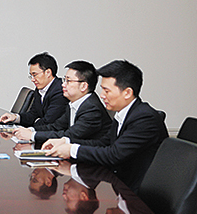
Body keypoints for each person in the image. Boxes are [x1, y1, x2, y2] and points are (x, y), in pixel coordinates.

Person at [42, 60, 168, 192]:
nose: (102, 96)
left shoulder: (144, 118)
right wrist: (65, 142)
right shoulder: (123, 113)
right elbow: (103, 142)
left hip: (137, 192)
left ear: (127, 93)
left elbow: (113, 155)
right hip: (118, 183)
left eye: (106, 91)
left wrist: (72, 150)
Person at [13, 60, 112, 148]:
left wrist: (32, 135)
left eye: (68, 81)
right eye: (64, 80)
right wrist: (31, 130)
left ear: (83, 86)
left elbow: (69, 136)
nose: (63, 84)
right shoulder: (74, 103)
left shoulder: (92, 108)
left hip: (92, 159)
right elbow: (56, 126)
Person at [0, 52, 67, 127]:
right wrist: (15, 117)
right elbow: (32, 115)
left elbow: (48, 122)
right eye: (31, 76)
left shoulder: (60, 91)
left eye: (35, 75)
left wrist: (29, 129)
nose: (32, 80)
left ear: (48, 73)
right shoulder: (40, 89)